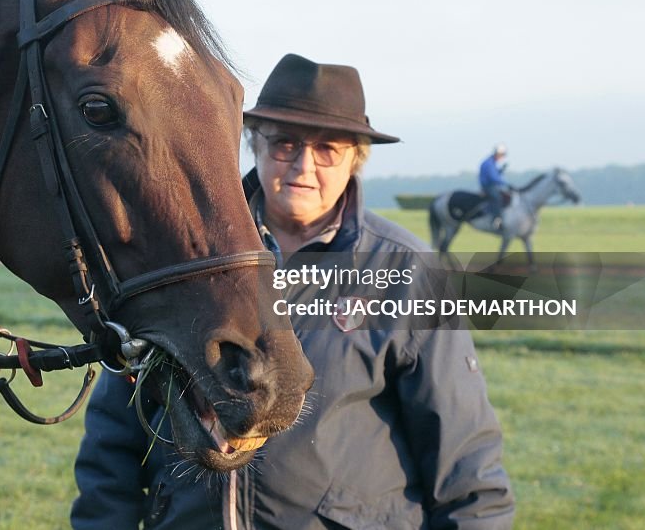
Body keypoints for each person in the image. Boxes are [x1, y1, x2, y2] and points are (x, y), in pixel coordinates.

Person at [71, 54, 515, 529]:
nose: (304, 165)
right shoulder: (177, 257)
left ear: (355, 160)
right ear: (253, 145)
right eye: (285, 143)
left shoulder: (408, 271)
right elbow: (113, 441)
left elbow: (468, 472)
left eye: (328, 150)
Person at [479, 145, 509, 229]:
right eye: (502, 155)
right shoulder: (489, 163)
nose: (502, 157)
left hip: (492, 185)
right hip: (488, 186)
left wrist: (500, 171)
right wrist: (505, 183)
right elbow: (493, 178)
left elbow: (495, 175)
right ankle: (496, 220)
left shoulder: (492, 162)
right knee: (497, 198)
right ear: (498, 154)